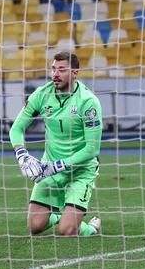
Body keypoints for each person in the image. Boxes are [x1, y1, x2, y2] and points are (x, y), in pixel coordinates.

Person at [9, 52, 103, 236]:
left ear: (75, 73)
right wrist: (22, 155)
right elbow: (16, 129)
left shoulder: (88, 102)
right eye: (53, 69)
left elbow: (92, 149)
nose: (55, 74)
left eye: (62, 70)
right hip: (49, 169)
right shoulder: (42, 95)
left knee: (67, 232)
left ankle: (90, 228)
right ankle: (65, 215)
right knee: (35, 227)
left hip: (80, 171)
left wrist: (58, 166)